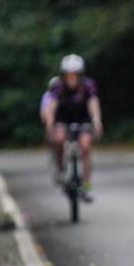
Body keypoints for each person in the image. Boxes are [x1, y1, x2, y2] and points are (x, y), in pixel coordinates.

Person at [45, 54, 103, 201]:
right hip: (62, 118)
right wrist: (50, 124)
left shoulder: (88, 85)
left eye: (74, 74)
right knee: (58, 139)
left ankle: (87, 185)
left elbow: (93, 103)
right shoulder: (58, 86)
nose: (71, 77)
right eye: (68, 74)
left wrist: (96, 121)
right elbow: (51, 107)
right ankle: (60, 169)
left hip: (82, 118)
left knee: (85, 146)